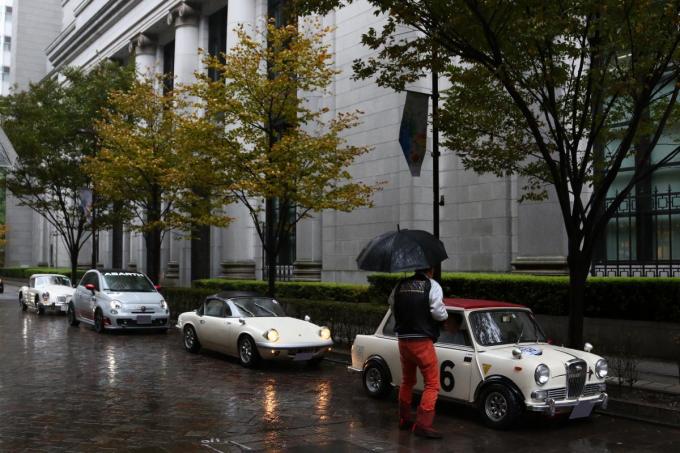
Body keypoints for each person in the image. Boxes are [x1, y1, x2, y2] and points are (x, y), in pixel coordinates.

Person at [388, 267, 448, 439]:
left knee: (407, 380)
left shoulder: (400, 285)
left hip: (403, 340)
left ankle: (404, 419)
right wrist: (444, 316)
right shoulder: (432, 285)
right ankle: (423, 424)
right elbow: (438, 312)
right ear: (430, 269)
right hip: (422, 340)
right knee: (432, 383)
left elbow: (392, 305)